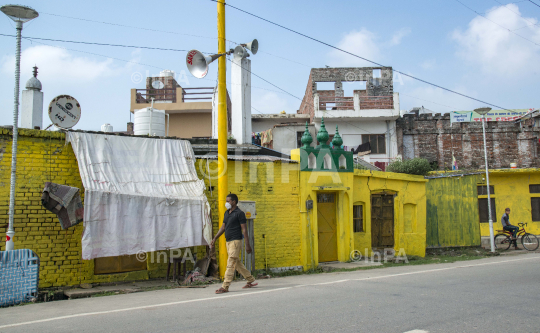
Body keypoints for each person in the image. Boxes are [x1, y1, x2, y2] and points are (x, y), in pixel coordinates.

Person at [211, 193, 257, 294]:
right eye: (226, 201)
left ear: (234, 202)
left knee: (230, 263)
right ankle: (250, 279)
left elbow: (244, 230)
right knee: (236, 263)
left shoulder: (239, 213)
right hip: (228, 241)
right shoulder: (227, 213)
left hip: (236, 242)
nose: (226, 203)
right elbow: (223, 227)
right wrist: (215, 238)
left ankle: (225, 286)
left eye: (228, 201)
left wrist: (248, 245)